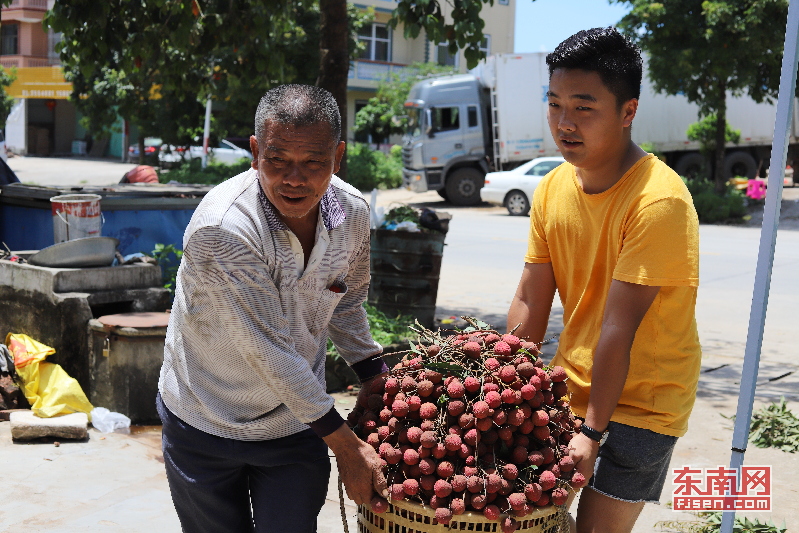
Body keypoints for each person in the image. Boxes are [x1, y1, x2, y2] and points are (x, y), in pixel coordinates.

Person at [157, 84, 388, 533]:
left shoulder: (350, 214)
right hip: (203, 418)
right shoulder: (224, 228)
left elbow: (347, 298)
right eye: (277, 160)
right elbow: (269, 352)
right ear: (255, 151)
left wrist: (373, 374)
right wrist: (346, 445)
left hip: (296, 425)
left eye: (313, 163)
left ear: (338, 157)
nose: (294, 178)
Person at [507, 28, 700, 533]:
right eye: (554, 105)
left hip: (644, 403)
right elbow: (531, 297)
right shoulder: (551, 188)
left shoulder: (658, 201)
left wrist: (592, 432)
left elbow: (619, 328)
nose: (564, 123)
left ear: (628, 111)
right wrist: (498, 377)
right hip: (572, 385)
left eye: (583, 108)